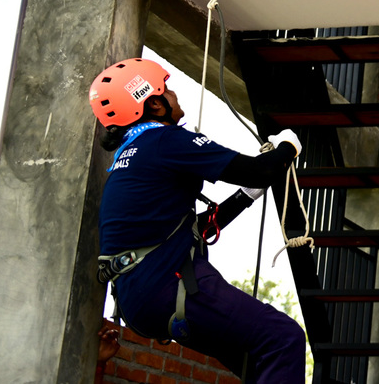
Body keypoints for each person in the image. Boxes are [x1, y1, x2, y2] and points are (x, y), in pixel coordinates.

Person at [93, 57, 307, 382]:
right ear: (154, 104)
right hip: (168, 286)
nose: (174, 94)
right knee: (283, 337)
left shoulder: (132, 154)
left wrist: (244, 197)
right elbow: (262, 170)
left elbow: (183, 231)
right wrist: (287, 147)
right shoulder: (165, 140)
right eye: (167, 90)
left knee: (257, 362)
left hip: (140, 299)